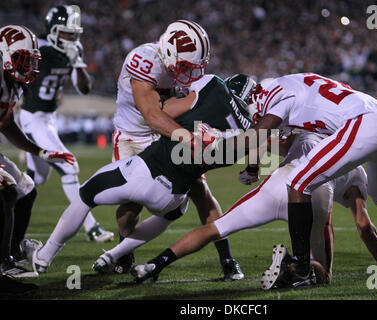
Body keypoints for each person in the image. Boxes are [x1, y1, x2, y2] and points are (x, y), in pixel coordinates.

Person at [209, 72, 377, 285]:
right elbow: (271, 132)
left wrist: (216, 144)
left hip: (363, 123)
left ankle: (302, 268)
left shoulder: (275, 96)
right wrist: (252, 167)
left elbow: (259, 132)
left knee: (297, 182)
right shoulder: (293, 83)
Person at [20, 74, 253, 279]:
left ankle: (44, 256)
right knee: (176, 210)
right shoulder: (251, 135)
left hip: (147, 171)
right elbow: (253, 164)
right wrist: (249, 171)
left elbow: (165, 112)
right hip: (175, 197)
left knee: (86, 194)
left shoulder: (214, 84)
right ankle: (115, 255)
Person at [128, 126, 377, 286]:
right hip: (314, 197)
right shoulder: (353, 165)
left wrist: (252, 168)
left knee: (216, 228)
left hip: (278, 184)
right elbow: (363, 224)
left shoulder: (305, 132)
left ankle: (154, 264)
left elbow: (264, 137)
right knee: (322, 275)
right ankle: (291, 266)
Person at [107, 20, 243, 278]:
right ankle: (124, 249)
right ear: (169, 52)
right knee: (130, 210)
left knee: (201, 190)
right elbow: (152, 115)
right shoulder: (144, 60)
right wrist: (190, 137)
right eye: (186, 67)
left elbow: (180, 107)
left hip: (164, 133)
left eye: (196, 67)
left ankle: (227, 258)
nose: (191, 74)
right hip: (133, 136)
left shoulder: (181, 63)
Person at [19, 5, 114, 242]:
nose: (71, 38)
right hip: (32, 117)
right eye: (65, 32)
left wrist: (78, 64)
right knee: (69, 166)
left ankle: (9, 210)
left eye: (74, 33)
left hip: (48, 119)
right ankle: (91, 228)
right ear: (52, 29)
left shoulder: (75, 49)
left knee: (35, 180)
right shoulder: (37, 47)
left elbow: (84, 89)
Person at [0, 24, 74, 293]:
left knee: (26, 189)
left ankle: (13, 253)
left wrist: (39, 151)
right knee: (5, 191)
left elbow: (6, 124)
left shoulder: (12, 82)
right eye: (22, 60)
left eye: (31, 62)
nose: (28, 67)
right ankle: (3, 266)